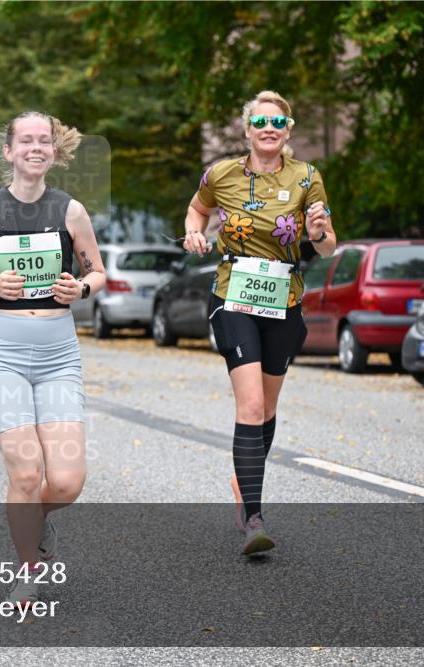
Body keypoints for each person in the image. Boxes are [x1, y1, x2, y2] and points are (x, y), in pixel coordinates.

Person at [0, 111, 105, 606]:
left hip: (58, 352)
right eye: (26, 141)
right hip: (2, 348)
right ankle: (27, 568)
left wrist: (79, 287)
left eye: (44, 141)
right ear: (10, 152)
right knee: (23, 471)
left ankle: (38, 521)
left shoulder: (70, 211)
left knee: (66, 480)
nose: (36, 148)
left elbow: (97, 272)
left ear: (53, 153)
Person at [183, 90, 337, 556]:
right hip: (233, 296)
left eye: (277, 120)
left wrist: (317, 233)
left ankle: (243, 478)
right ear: (247, 128)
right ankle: (253, 517)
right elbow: (197, 209)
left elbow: (328, 246)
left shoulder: (308, 176)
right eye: (259, 120)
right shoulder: (221, 173)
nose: (268, 128)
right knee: (249, 408)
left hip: (284, 301)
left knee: (267, 411)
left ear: (288, 129)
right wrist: (194, 231)